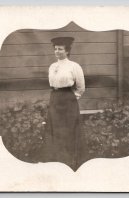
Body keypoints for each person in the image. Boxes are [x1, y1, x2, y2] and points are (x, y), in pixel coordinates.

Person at [43, 37, 85, 171]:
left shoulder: (74, 66)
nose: (57, 51)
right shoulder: (52, 66)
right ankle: (57, 158)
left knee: (68, 129)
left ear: (67, 51)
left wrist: (71, 99)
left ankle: (70, 159)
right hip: (54, 98)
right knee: (56, 128)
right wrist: (57, 98)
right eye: (55, 49)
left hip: (68, 100)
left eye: (60, 49)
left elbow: (81, 88)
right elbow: (52, 84)